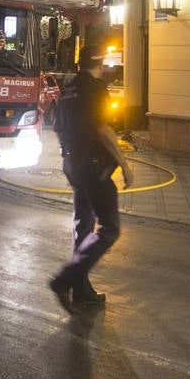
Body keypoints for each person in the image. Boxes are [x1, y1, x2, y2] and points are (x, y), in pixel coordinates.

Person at [48, 50, 134, 313]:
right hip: (93, 165)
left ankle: (81, 292)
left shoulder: (69, 88)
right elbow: (103, 128)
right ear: (99, 63)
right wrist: (124, 163)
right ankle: (65, 280)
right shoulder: (96, 88)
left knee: (83, 226)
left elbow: (57, 126)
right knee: (109, 228)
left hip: (72, 163)